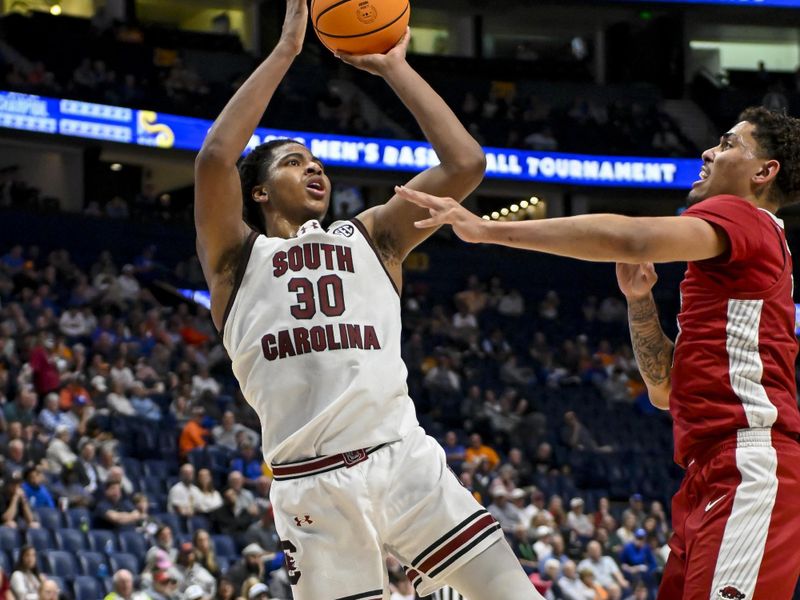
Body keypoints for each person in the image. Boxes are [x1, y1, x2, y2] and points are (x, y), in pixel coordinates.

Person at [193, 1, 539, 598]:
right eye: (295, 162)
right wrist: (285, 52)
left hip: (404, 460)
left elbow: (465, 164)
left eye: (318, 162)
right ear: (258, 192)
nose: (315, 169)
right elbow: (214, 158)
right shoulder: (236, 259)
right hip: (312, 487)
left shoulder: (372, 235)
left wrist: (394, 67)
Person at [397, 107, 800, 599]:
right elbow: (664, 392)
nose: (709, 151)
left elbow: (631, 236)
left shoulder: (745, 218)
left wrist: (487, 231)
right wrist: (639, 302)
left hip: (749, 463)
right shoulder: (727, 260)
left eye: (729, 144)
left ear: (764, 171)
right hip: (709, 469)